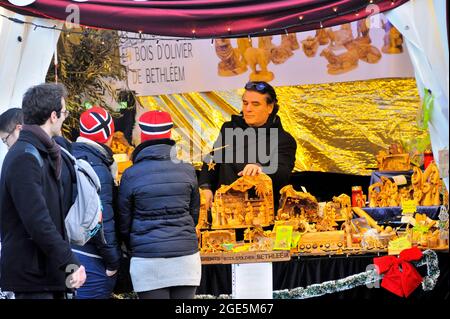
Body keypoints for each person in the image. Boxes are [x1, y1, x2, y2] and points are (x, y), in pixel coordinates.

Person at [0, 83, 86, 299]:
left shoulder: (42, 152)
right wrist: (69, 261)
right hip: (33, 277)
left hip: (46, 274)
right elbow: (37, 221)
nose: (66, 118)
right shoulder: (25, 157)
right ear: (53, 116)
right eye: (64, 112)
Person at [119, 110, 201, 299]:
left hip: (147, 259)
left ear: (142, 136)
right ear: (170, 135)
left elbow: (124, 224)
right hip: (185, 258)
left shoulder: (131, 175)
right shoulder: (187, 170)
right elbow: (194, 216)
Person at [199, 81, 297, 211]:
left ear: (270, 107)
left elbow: (282, 173)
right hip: (223, 213)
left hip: (258, 215)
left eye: (255, 104)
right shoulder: (229, 128)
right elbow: (213, 159)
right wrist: (205, 187)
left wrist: (261, 170)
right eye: (245, 103)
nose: (248, 109)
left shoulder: (283, 139)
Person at [70, 106, 121, 299]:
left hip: (69, 255)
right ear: (109, 135)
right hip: (92, 258)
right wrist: (113, 262)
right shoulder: (98, 168)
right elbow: (102, 219)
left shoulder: (67, 159)